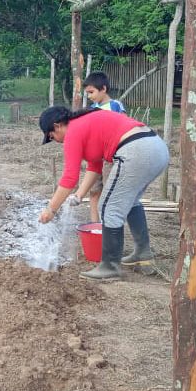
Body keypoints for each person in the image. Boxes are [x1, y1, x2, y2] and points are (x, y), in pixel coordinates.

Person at [37, 106, 167, 280]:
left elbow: (69, 178)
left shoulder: (73, 131)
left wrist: (51, 210)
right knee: (131, 201)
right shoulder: (84, 125)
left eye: (52, 136)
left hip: (136, 149)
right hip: (156, 147)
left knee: (108, 206)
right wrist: (79, 195)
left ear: (57, 125)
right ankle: (142, 254)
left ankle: (110, 266)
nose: (56, 140)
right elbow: (94, 166)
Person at [83, 71, 126, 223]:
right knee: (94, 191)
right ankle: (95, 226)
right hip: (96, 157)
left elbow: (122, 127)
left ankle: (108, 224)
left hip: (111, 157)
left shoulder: (115, 106)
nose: (89, 96)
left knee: (109, 191)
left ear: (103, 89)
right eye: (87, 93)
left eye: (91, 92)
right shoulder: (91, 109)